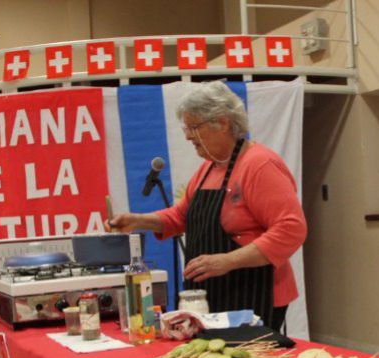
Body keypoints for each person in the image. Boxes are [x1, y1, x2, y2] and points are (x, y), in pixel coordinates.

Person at [108, 81, 307, 331]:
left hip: (255, 293)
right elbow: (182, 215)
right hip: (213, 294)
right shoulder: (209, 167)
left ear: (222, 122)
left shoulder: (260, 165)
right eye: (186, 127)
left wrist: (228, 260)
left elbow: (291, 229)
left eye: (194, 127)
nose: (188, 136)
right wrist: (138, 220)